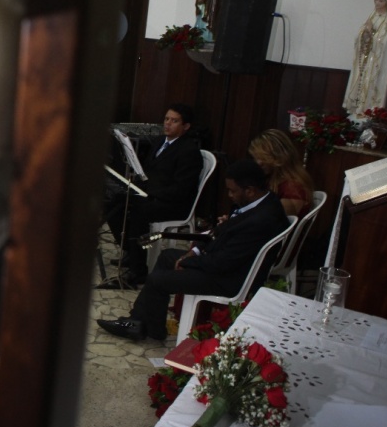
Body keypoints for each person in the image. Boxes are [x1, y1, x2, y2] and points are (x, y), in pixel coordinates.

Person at [97, 159, 291, 342]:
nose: (230, 196)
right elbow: (224, 234)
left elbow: (222, 263)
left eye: (233, 191)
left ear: (250, 190)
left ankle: (153, 332)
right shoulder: (261, 202)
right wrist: (195, 252)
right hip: (223, 263)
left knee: (157, 280)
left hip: (230, 279)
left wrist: (189, 261)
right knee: (166, 257)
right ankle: (137, 321)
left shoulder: (261, 220)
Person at [100, 103, 204, 288]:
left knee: (140, 211)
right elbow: (148, 173)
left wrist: (149, 194)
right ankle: (130, 251)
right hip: (152, 194)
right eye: (166, 119)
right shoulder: (159, 142)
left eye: (174, 121)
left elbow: (181, 189)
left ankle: (137, 273)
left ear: (186, 126)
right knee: (115, 201)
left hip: (172, 202)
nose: (168, 124)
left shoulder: (189, 151)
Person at [248, 129, 314, 217]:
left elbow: (273, 222)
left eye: (264, 157)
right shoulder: (270, 180)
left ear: (280, 157)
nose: (259, 163)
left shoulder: (293, 188)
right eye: (256, 157)